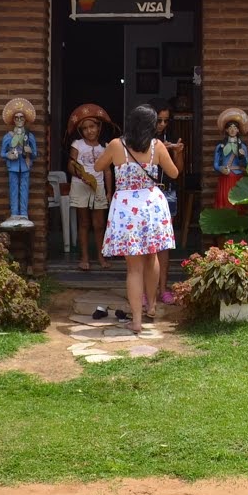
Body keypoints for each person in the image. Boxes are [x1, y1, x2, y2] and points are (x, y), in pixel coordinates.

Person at [97, 103, 179, 334]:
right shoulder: (157, 146)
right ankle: (151, 305)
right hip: (151, 205)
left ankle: (136, 321)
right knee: (152, 257)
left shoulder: (116, 145)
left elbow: (97, 165)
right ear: (152, 126)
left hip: (126, 208)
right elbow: (173, 173)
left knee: (133, 269)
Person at [67, 106, 111, 271]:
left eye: (92, 127)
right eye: (84, 128)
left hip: (98, 187)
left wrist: (109, 191)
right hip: (80, 185)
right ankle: (84, 257)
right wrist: (81, 175)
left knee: (99, 224)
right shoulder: (77, 144)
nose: (89, 131)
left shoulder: (105, 147)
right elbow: (71, 165)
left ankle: (101, 256)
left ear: (99, 127)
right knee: (84, 223)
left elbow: (107, 171)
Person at [149, 99, 184, 305]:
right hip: (146, 195)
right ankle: (147, 290)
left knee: (163, 246)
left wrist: (177, 152)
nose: (162, 125)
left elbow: (177, 172)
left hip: (167, 192)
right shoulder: (141, 141)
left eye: (165, 121)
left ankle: (163, 289)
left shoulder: (170, 139)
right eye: (158, 120)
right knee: (147, 246)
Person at [0, 99, 38, 224]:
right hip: (13, 166)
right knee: (14, 189)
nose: (19, 120)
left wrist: (30, 151)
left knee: (24, 188)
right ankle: (14, 213)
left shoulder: (29, 136)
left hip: (25, 165)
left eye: (22, 118)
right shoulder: (8, 137)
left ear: (25, 120)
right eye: (17, 118)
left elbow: (35, 154)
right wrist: (8, 155)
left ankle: (24, 213)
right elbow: (2, 153)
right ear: (13, 120)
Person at [213, 107, 248, 210]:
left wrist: (242, 156)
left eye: (235, 127)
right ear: (226, 130)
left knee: (237, 204)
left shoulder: (242, 147)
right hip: (225, 177)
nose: (232, 129)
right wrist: (220, 169)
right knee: (224, 202)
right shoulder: (220, 147)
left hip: (237, 178)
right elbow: (215, 164)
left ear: (238, 130)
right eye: (230, 127)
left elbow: (246, 164)